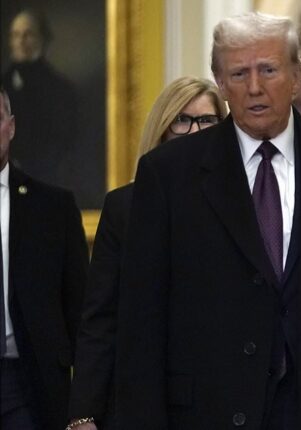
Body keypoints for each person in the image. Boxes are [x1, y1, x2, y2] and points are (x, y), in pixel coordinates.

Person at [113, 13, 301, 429]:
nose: (254, 88)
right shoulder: (169, 173)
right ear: (220, 83)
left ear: (297, 76)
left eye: (269, 70)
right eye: (238, 73)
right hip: (208, 408)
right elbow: (142, 315)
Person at [66, 77, 227, 430]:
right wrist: (82, 413)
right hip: (143, 396)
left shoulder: (241, 206)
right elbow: (100, 318)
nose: (195, 131)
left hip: (224, 394)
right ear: (163, 128)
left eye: (207, 121)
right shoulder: (125, 205)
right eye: (182, 120)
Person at [1, 86, 89, 428]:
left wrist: (84, 406)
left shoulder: (53, 208)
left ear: (11, 126)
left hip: (29, 383)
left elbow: (80, 311)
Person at [2, 9, 79, 188]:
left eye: (28, 34)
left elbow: (63, 144)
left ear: (42, 40)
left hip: (44, 181)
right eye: (15, 35)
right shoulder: (3, 83)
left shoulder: (60, 89)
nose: (21, 41)